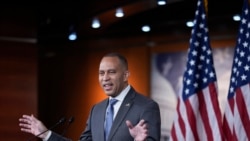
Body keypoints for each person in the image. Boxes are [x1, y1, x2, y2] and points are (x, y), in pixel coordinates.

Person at [19, 52, 161, 141]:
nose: (105, 78)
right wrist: (47, 135)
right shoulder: (97, 110)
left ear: (125, 75)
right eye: (101, 73)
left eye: (111, 72)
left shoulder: (146, 107)